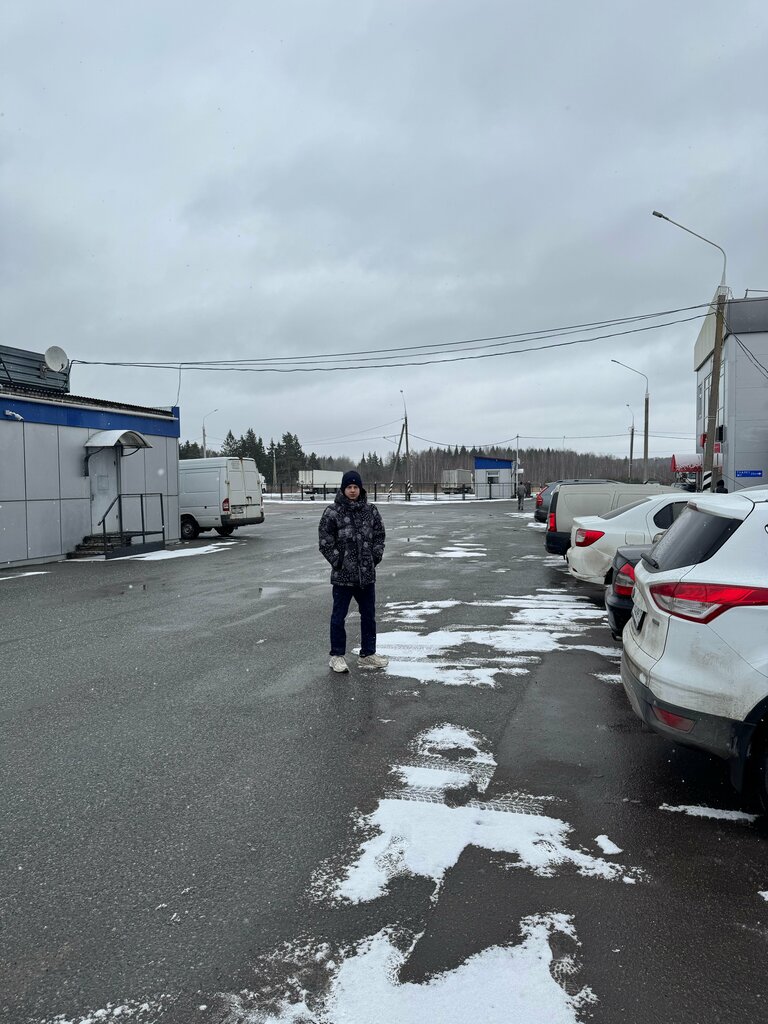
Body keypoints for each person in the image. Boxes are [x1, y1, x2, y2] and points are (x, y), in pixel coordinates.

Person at [318, 470, 388, 673]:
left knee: (369, 616)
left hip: (366, 576)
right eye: (349, 487)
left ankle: (368, 654)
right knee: (338, 617)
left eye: (355, 487)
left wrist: (374, 557)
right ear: (343, 489)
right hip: (343, 577)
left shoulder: (370, 510)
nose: (352, 490)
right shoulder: (333, 512)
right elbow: (325, 541)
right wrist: (338, 561)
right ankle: (337, 656)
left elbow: (379, 535)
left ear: (360, 489)